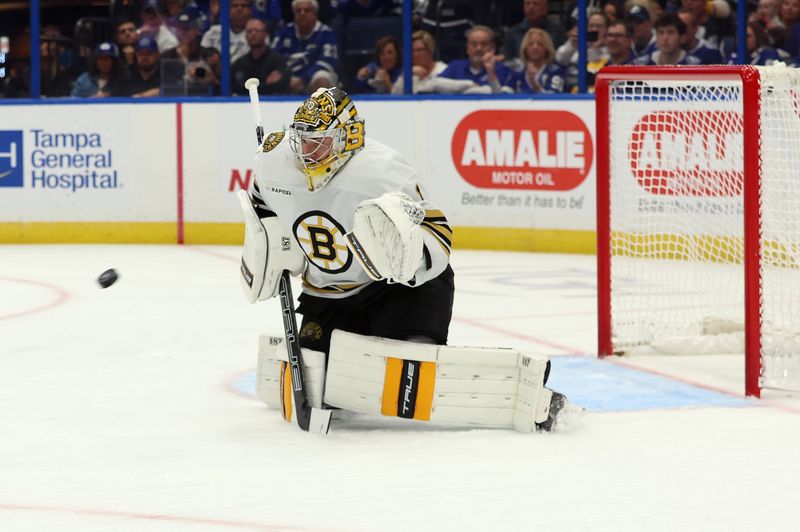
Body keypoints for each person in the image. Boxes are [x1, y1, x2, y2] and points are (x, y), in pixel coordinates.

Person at [240, 87, 568, 432]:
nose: (306, 153)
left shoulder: (381, 171)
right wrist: (274, 247)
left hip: (394, 291)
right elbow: (262, 211)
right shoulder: (272, 159)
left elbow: (438, 233)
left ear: (346, 137)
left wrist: (402, 260)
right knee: (317, 377)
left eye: (318, 142)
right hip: (328, 296)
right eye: (301, 141)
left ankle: (517, 390)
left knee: (409, 369)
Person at [272, 0, 339, 94]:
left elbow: (327, 62)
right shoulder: (284, 32)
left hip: (312, 77)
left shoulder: (326, 33)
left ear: (315, 14)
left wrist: (303, 79)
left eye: (307, 10)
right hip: (288, 76)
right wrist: (281, 75)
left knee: (322, 78)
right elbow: (273, 56)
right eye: (298, 11)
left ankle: (322, 107)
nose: (302, 13)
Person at [390, 29, 475, 94]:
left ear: (430, 50)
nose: (415, 54)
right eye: (412, 51)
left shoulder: (444, 70)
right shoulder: (410, 72)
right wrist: (406, 75)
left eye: (419, 50)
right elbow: (394, 95)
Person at [438, 26, 515, 94]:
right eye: (474, 44)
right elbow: (435, 84)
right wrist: (469, 84)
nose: (479, 48)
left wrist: (491, 73)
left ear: (492, 48)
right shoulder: (456, 66)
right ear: (467, 48)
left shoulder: (502, 68)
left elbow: (501, 98)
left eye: (484, 44)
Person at [231, 18, 291, 95]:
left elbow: (280, 86)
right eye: (249, 31)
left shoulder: (277, 60)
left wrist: (258, 88)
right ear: (245, 36)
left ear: (265, 34)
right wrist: (266, 84)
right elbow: (239, 89)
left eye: (257, 30)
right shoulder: (239, 64)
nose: (253, 34)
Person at [555, 12, 609, 92]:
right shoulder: (575, 45)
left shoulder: (611, 49)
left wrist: (595, 48)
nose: (594, 29)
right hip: (572, 91)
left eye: (599, 26)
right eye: (591, 26)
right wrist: (572, 45)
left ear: (606, 29)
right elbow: (560, 59)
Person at [509, 28, 565, 94]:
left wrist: (534, 84)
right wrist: (493, 78)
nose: (535, 47)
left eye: (540, 44)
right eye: (531, 44)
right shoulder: (517, 71)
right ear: (525, 48)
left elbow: (553, 99)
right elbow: (503, 95)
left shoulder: (555, 71)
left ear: (547, 48)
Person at [634, 12, 702, 66]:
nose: (665, 38)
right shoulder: (640, 64)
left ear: (682, 38)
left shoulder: (694, 66)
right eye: (661, 32)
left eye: (670, 32)